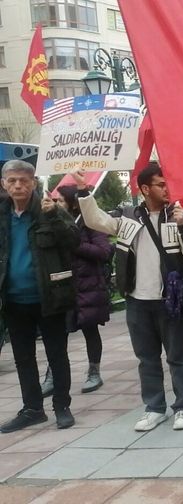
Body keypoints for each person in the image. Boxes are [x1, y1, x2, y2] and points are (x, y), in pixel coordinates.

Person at [73, 163, 183, 432]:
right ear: (145, 188)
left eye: (168, 183)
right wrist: (83, 191)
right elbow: (96, 220)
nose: (167, 189)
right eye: (161, 184)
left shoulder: (181, 216)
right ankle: (154, 408)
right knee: (147, 358)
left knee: (177, 357)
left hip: (170, 301)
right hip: (137, 300)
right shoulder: (129, 217)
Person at [0, 161, 78, 433]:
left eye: (23, 180)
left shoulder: (49, 210)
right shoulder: (2, 215)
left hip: (49, 297)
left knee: (57, 355)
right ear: (3, 184)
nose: (18, 185)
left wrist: (55, 216)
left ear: (33, 182)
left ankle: (62, 406)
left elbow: (74, 241)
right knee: (23, 358)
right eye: (12, 180)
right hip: (13, 299)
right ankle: (33, 409)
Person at [55, 185, 112, 394]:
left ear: (72, 203)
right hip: (62, 287)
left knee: (90, 330)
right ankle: (53, 374)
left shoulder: (89, 222)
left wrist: (75, 244)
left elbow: (104, 251)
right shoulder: (53, 223)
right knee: (57, 332)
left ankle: (94, 372)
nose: (56, 204)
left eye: (60, 200)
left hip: (87, 286)